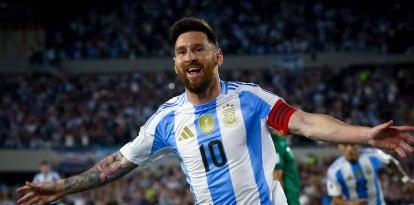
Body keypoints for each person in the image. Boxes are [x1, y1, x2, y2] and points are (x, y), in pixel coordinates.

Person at [16, 17, 414, 205]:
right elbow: (117, 163)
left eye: (198, 48)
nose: (190, 56)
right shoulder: (166, 120)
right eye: (181, 52)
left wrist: (366, 135)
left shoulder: (250, 100)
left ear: (217, 56)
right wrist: (62, 187)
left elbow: (307, 123)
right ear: (176, 65)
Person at [326, 144, 414, 205]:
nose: (349, 148)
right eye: (345, 145)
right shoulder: (334, 171)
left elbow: (390, 162)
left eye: (352, 144)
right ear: (339, 147)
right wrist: (351, 204)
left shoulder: (373, 155)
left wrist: (406, 180)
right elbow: (336, 199)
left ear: (358, 144)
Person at [271, 131, 300, 205]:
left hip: (292, 197)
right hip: (288, 199)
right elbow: (276, 175)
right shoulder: (276, 142)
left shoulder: (282, 142)